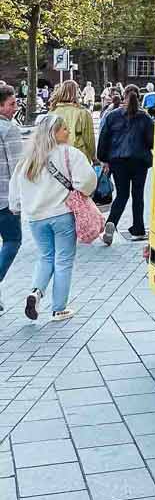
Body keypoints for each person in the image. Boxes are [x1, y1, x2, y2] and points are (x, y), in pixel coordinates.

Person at [8, 111, 96, 322]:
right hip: (62, 214)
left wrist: (17, 207)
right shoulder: (70, 154)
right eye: (64, 129)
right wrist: (79, 191)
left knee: (45, 256)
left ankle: (36, 292)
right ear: (54, 133)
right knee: (63, 260)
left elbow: (15, 189)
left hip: (36, 218)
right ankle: (58, 309)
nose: (67, 132)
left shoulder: (28, 159)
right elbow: (86, 180)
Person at [96, 84, 154, 244]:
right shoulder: (145, 118)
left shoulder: (112, 116)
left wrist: (103, 158)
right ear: (138, 97)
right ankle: (138, 229)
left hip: (118, 161)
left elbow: (103, 139)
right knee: (138, 195)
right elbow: (151, 141)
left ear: (124, 96)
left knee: (122, 195)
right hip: (139, 161)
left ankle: (111, 223)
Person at [0, 84, 24, 313]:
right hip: (4, 199)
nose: (15, 107)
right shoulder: (9, 130)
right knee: (13, 240)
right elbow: (18, 169)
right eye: (12, 104)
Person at [48, 81, 97, 165]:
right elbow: (89, 139)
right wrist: (94, 157)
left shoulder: (52, 112)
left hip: (57, 156)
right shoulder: (83, 113)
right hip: (79, 156)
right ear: (76, 93)